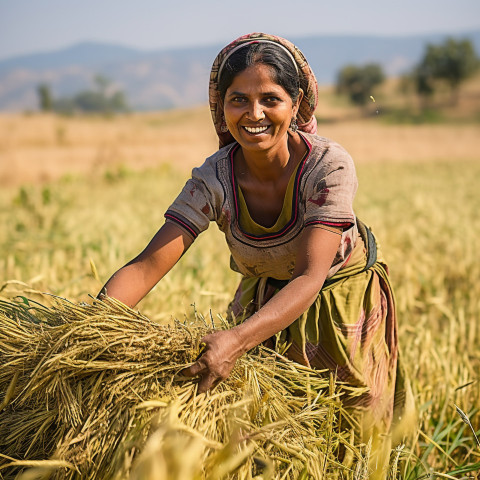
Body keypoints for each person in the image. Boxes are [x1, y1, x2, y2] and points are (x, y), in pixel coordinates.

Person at [99, 32, 414, 469]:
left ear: (296, 103)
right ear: (221, 107)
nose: (253, 114)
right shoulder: (215, 178)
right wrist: (91, 328)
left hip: (337, 304)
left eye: (270, 99)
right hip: (263, 301)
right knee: (256, 444)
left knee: (349, 442)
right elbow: (148, 264)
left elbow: (309, 276)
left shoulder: (328, 166)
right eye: (238, 100)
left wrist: (237, 340)